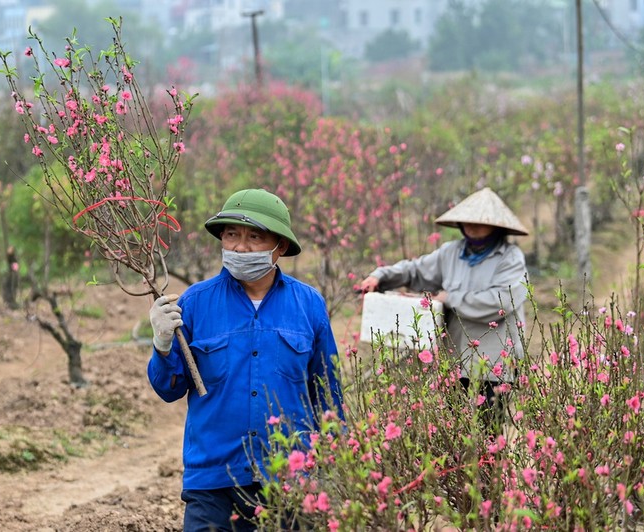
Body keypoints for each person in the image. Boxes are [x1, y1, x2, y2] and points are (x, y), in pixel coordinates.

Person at [147, 188, 344, 531]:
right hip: (213, 482)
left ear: (279, 247)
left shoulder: (308, 305)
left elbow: (327, 392)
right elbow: (169, 389)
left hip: (290, 478)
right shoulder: (195, 302)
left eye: (254, 237)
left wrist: (333, 465)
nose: (239, 247)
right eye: (232, 235)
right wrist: (162, 344)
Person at [359, 187, 529, 432]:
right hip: (456, 362)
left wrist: (451, 298)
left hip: (494, 366)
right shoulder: (451, 253)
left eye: (480, 224)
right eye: (467, 223)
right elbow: (415, 270)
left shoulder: (510, 258)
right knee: (454, 432)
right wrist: (380, 276)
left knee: (488, 435)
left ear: (496, 227)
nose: (471, 228)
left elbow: (502, 300)